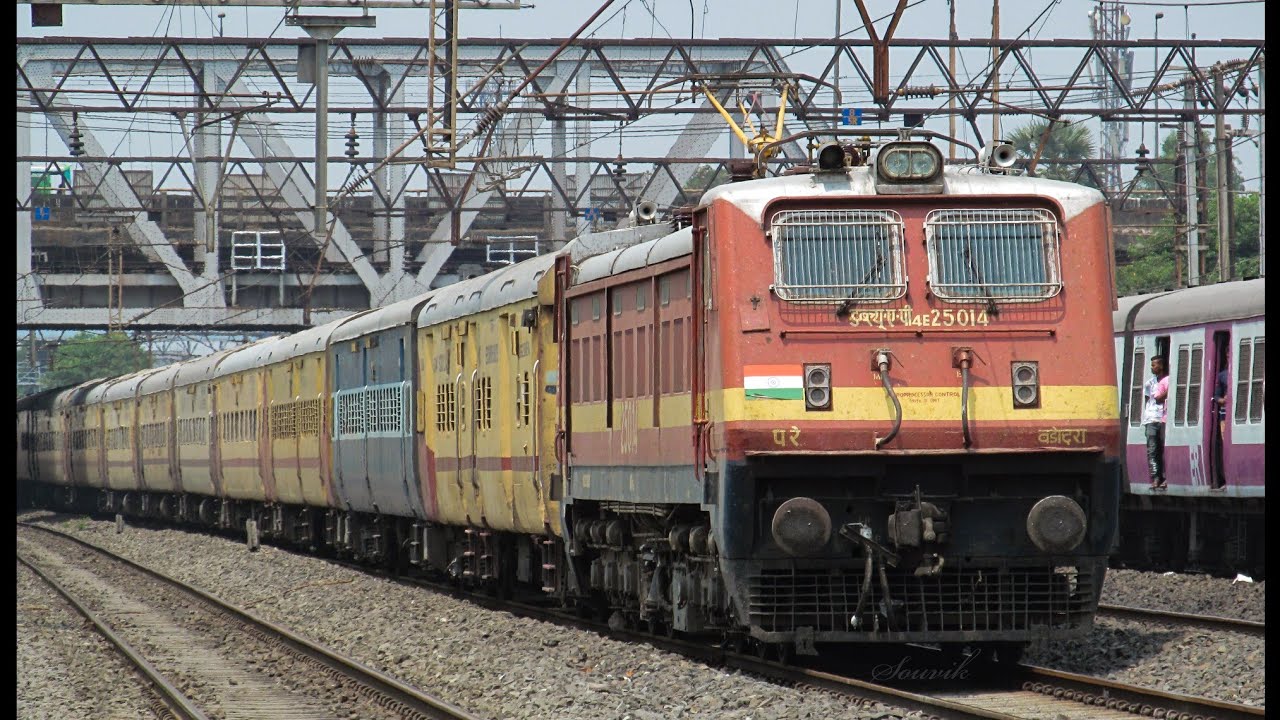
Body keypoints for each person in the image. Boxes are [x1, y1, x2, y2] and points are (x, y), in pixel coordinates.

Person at [1142, 356, 1171, 489]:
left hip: (1164, 418)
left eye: (1154, 365)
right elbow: (1147, 401)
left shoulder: (1168, 381)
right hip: (1152, 419)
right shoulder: (1149, 383)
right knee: (1152, 450)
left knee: (1164, 449)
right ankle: (1155, 478)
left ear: (1161, 366)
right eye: (1151, 365)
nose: (1152, 367)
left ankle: (1166, 477)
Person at [1212, 365, 1229, 490]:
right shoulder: (1223, 375)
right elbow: (1216, 395)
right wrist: (1222, 400)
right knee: (1225, 444)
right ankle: (1226, 476)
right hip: (1225, 415)